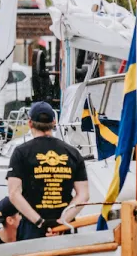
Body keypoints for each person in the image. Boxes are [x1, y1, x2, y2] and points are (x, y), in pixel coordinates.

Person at [6, 101, 89, 241]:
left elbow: (14, 193)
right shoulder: (73, 153)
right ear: (54, 123)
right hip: (64, 225)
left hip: (32, 227)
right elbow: (84, 195)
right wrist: (61, 221)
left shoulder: (21, 153)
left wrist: (40, 222)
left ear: (30, 123)